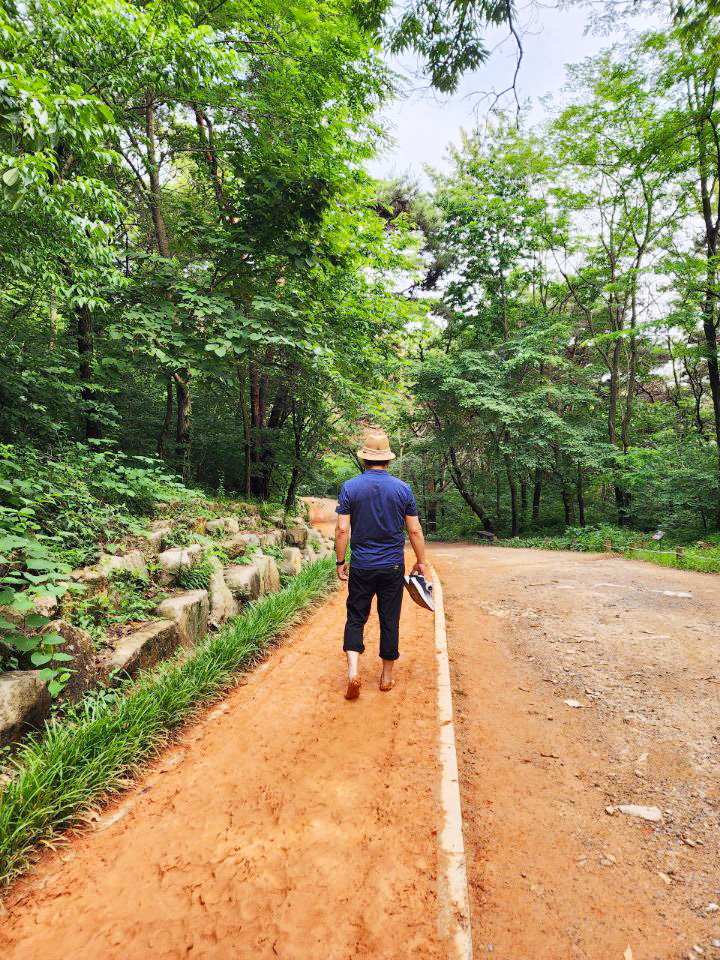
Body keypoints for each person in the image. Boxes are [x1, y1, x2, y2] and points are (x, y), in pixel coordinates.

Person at [335, 429, 427, 700]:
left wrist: (341, 561)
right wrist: (421, 562)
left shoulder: (350, 487)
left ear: (364, 459)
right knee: (390, 618)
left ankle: (353, 672)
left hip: (362, 565)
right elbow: (415, 531)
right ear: (388, 460)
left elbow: (342, 530)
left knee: (356, 616)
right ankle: (386, 676)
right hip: (392, 566)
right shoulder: (402, 489)